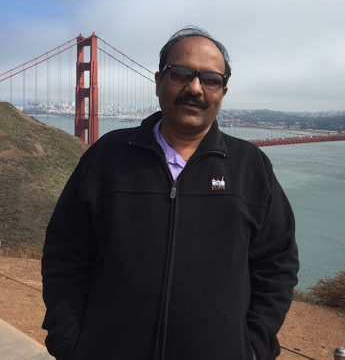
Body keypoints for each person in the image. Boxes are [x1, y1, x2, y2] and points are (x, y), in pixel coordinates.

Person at [42, 27, 299, 360]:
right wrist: (69, 340)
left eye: (210, 79)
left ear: (222, 92)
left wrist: (252, 346)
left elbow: (278, 264)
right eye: (181, 74)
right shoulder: (108, 156)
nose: (194, 88)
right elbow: (65, 252)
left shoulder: (251, 167)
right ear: (158, 80)